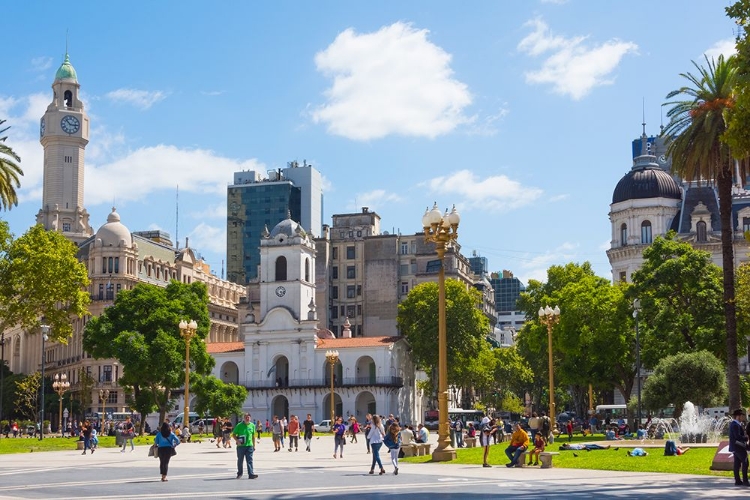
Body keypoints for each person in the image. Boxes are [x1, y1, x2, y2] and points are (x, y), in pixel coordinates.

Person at [233, 413, 258, 479]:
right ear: (244, 418)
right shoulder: (239, 425)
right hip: (241, 446)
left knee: (249, 460)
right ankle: (239, 473)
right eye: (246, 417)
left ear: (250, 418)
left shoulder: (252, 425)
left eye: (248, 417)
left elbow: (253, 436)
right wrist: (237, 440)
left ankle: (251, 474)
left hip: (249, 445)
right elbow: (234, 434)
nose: (247, 418)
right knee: (240, 460)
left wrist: (254, 445)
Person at [729, 408, 749, 486]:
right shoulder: (735, 425)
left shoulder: (734, 424)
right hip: (738, 447)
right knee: (745, 462)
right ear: (738, 416)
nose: (742, 418)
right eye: (741, 416)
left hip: (735, 447)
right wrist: (746, 438)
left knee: (737, 464)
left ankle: (737, 480)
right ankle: (745, 481)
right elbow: (737, 436)